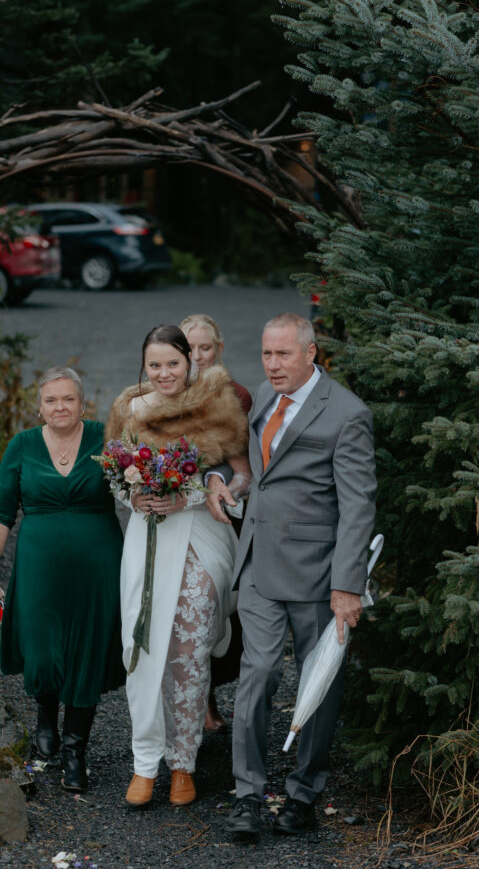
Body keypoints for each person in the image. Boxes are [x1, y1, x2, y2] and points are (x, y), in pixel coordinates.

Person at [207, 313, 376, 840]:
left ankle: (304, 794)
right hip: (257, 564)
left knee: (318, 683)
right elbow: (257, 470)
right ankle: (247, 797)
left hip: (317, 576)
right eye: (266, 354)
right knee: (256, 677)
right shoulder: (263, 394)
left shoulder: (347, 414)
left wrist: (347, 586)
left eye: (283, 355)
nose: (273, 365)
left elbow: (358, 506)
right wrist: (221, 481)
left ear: (311, 354)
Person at [105, 325, 249, 808]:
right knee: (142, 649)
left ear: (189, 361)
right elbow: (114, 478)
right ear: (144, 367)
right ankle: (144, 762)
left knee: (187, 653)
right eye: (155, 364)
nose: (164, 373)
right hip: (147, 541)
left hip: (198, 542)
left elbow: (241, 473)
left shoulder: (216, 402)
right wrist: (134, 493)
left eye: (173, 362)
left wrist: (193, 492)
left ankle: (183, 762)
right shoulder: (130, 410)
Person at [0, 367, 124, 793]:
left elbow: (134, 492)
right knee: (42, 651)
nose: (60, 407)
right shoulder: (21, 446)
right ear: (39, 406)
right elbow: (1, 512)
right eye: (51, 400)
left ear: (82, 403)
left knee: (87, 652)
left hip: (98, 565)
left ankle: (76, 751)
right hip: (39, 564)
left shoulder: (106, 439)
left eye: (68, 399)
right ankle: (46, 713)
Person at [179, 313, 251, 733]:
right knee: (184, 606)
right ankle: (197, 701)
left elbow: (244, 463)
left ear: (219, 349)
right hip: (178, 513)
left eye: (207, 348)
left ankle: (214, 689)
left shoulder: (236, 395)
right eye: (191, 349)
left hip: (225, 514)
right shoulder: (165, 394)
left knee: (222, 606)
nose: (199, 356)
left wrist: (223, 485)